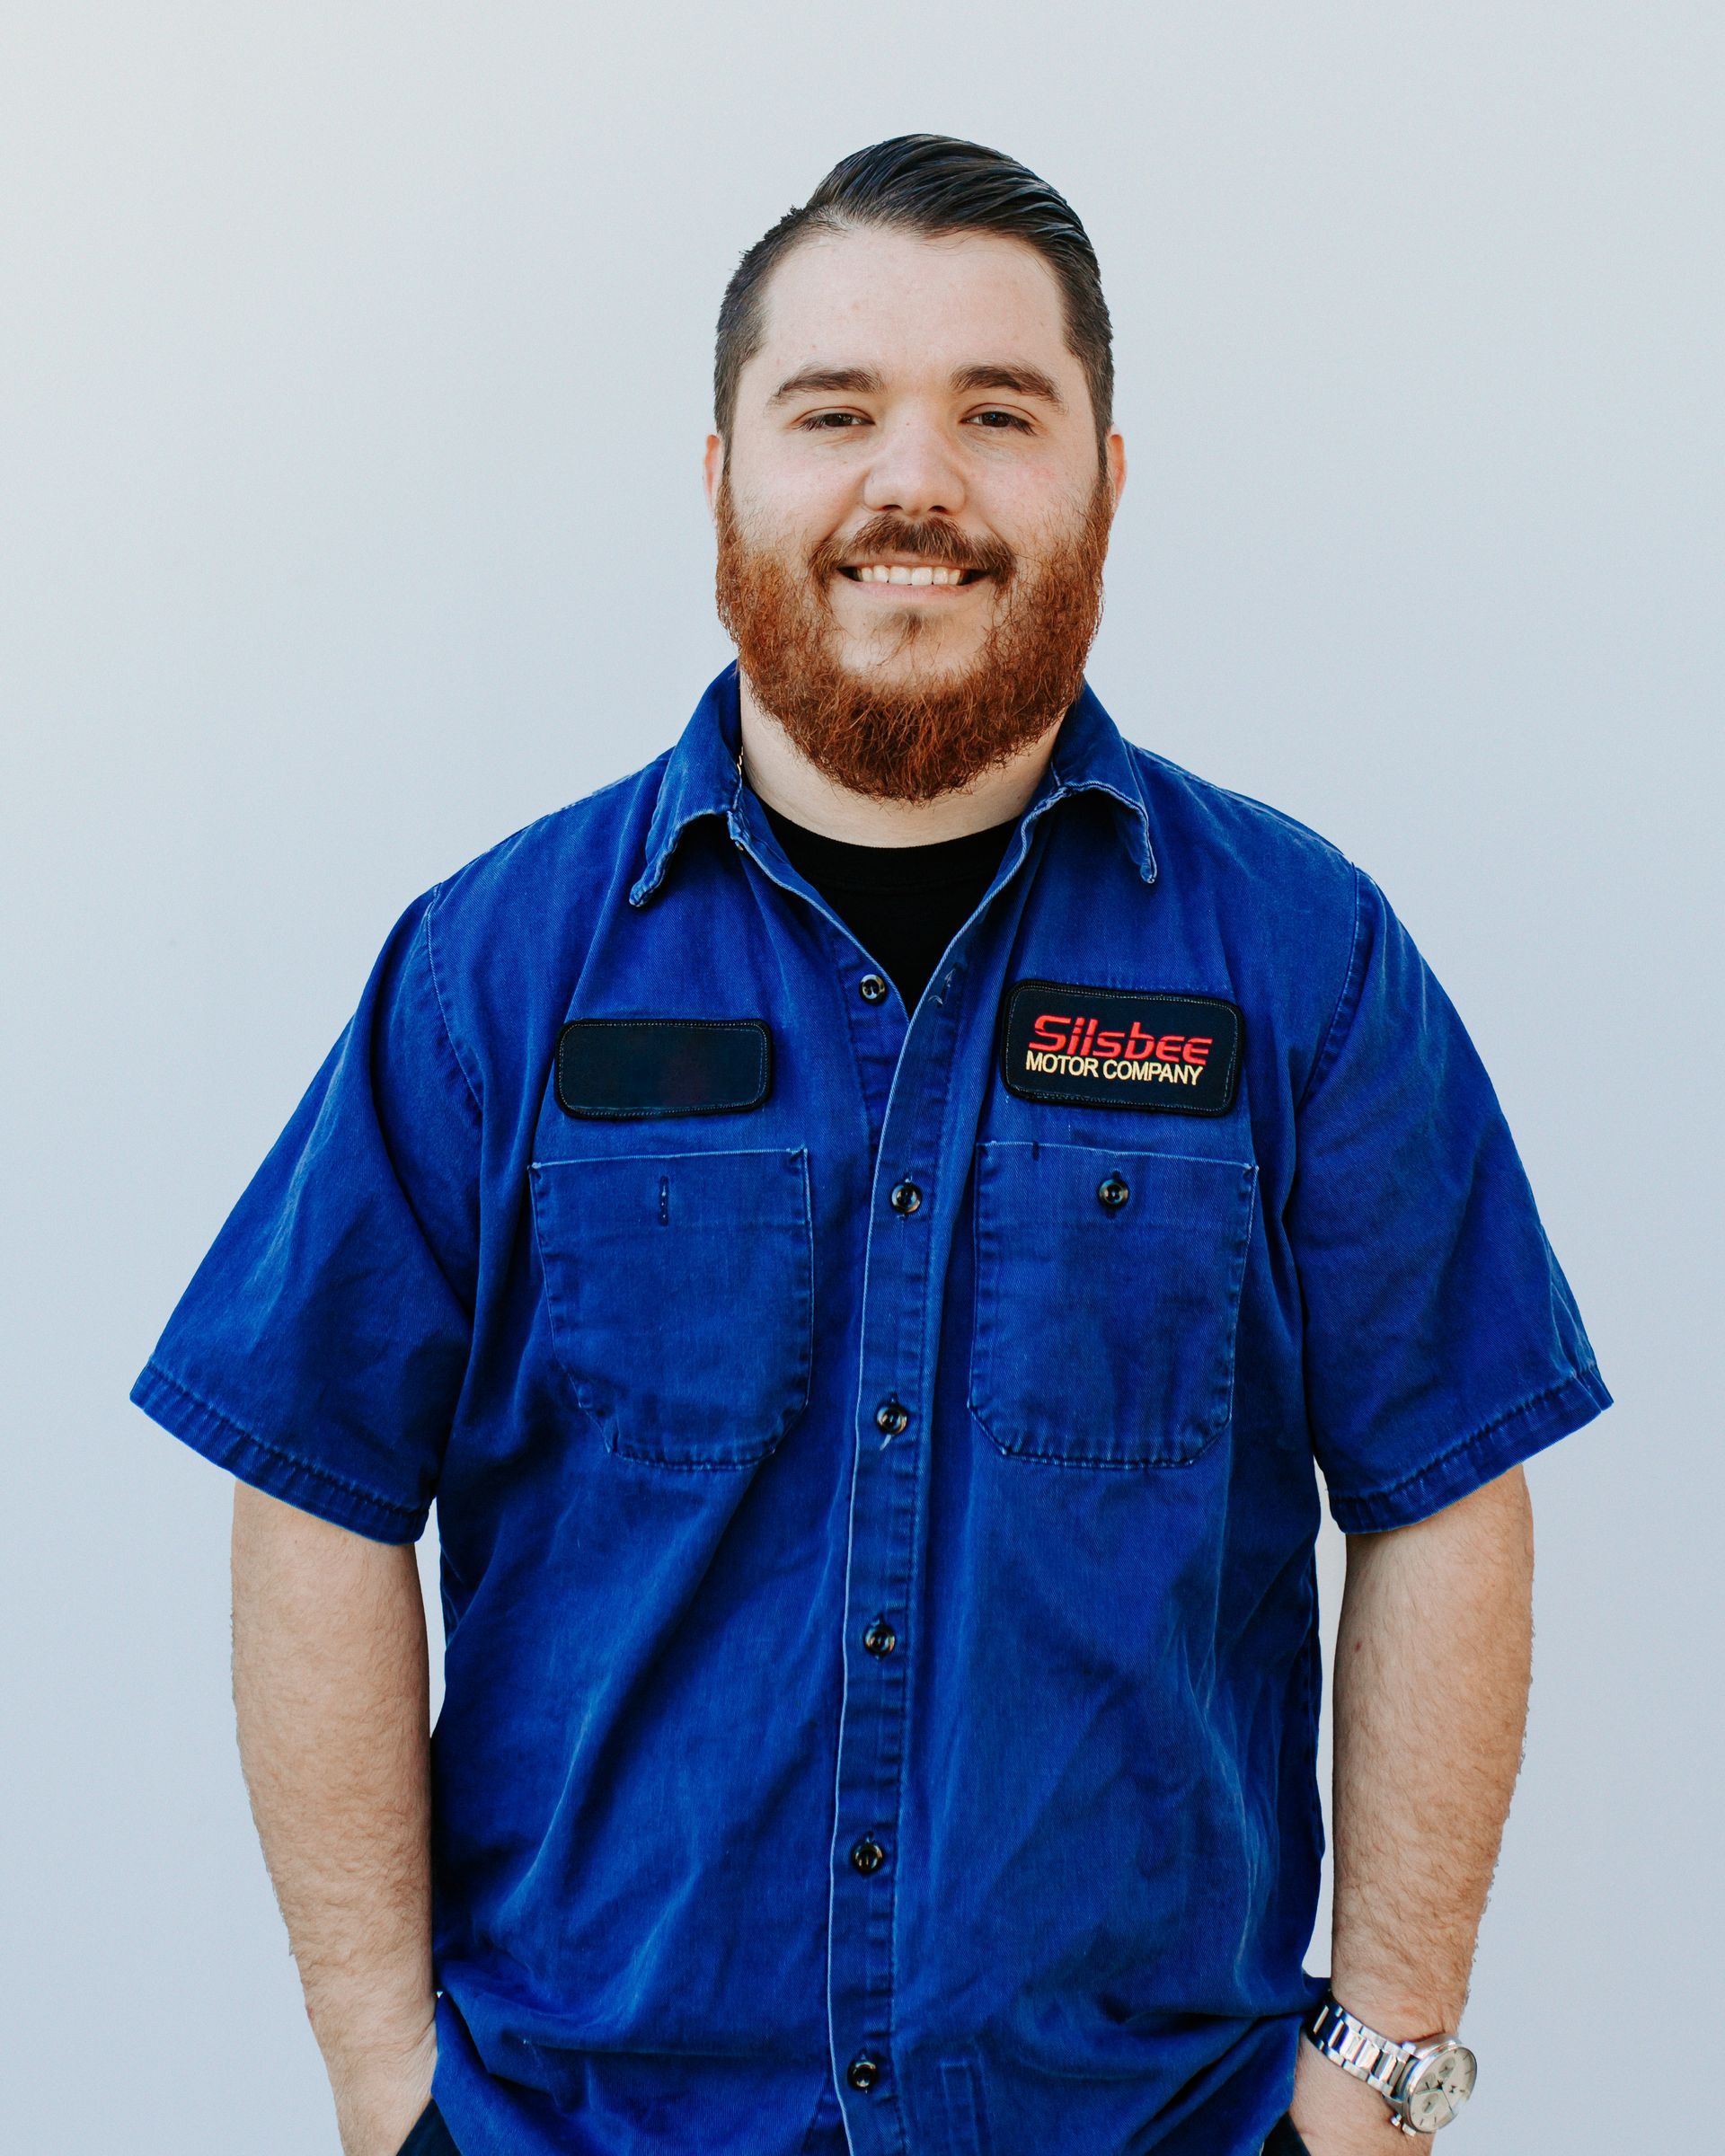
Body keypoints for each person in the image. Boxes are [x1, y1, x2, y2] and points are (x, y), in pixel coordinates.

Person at [132, 136, 1611, 2156]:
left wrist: (1383, 2068)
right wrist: (387, 2079)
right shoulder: (494, 974)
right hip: (584, 2127)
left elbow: (1449, 1486)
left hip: (1147, 2126)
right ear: (722, 476)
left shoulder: (1304, 963)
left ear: (1106, 478)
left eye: (1000, 414)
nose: (913, 481)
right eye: (834, 412)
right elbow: (311, 1483)